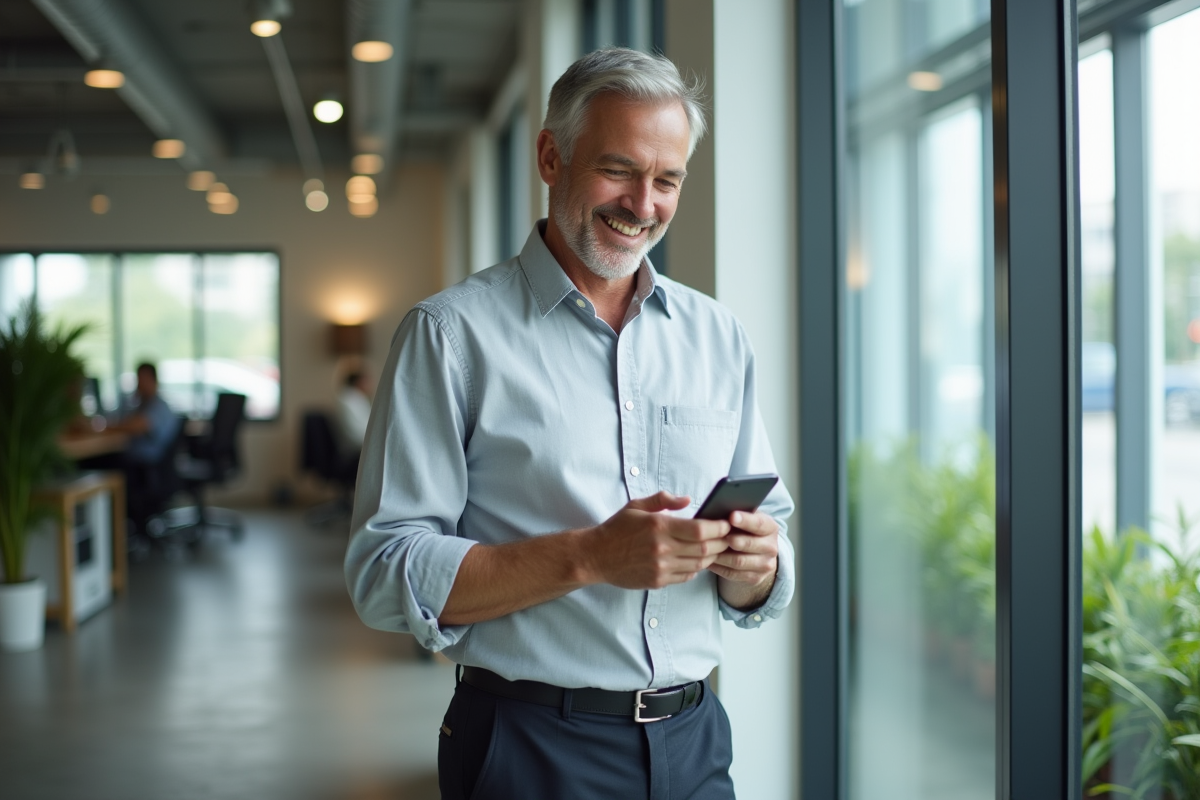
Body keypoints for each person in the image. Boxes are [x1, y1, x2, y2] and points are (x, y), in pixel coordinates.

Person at [345, 47, 794, 800]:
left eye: (668, 179)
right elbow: (384, 571)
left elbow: (771, 534)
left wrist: (758, 566)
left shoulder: (719, 336)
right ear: (551, 156)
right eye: (619, 170)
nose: (643, 204)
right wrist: (589, 556)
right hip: (528, 749)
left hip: (695, 742)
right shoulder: (450, 336)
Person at [82, 362, 182, 543]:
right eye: (138, 380)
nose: (139, 384)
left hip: (148, 468)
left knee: (102, 466)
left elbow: (137, 425)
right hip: (141, 464)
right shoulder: (140, 405)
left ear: (154, 380)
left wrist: (106, 428)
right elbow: (125, 418)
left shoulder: (158, 407)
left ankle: (108, 535)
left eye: (143, 380)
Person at [335, 368, 372, 455]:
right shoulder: (348, 400)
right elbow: (355, 434)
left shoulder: (357, 398)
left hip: (360, 446)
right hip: (355, 452)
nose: (371, 385)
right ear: (359, 382)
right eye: (367, 381)